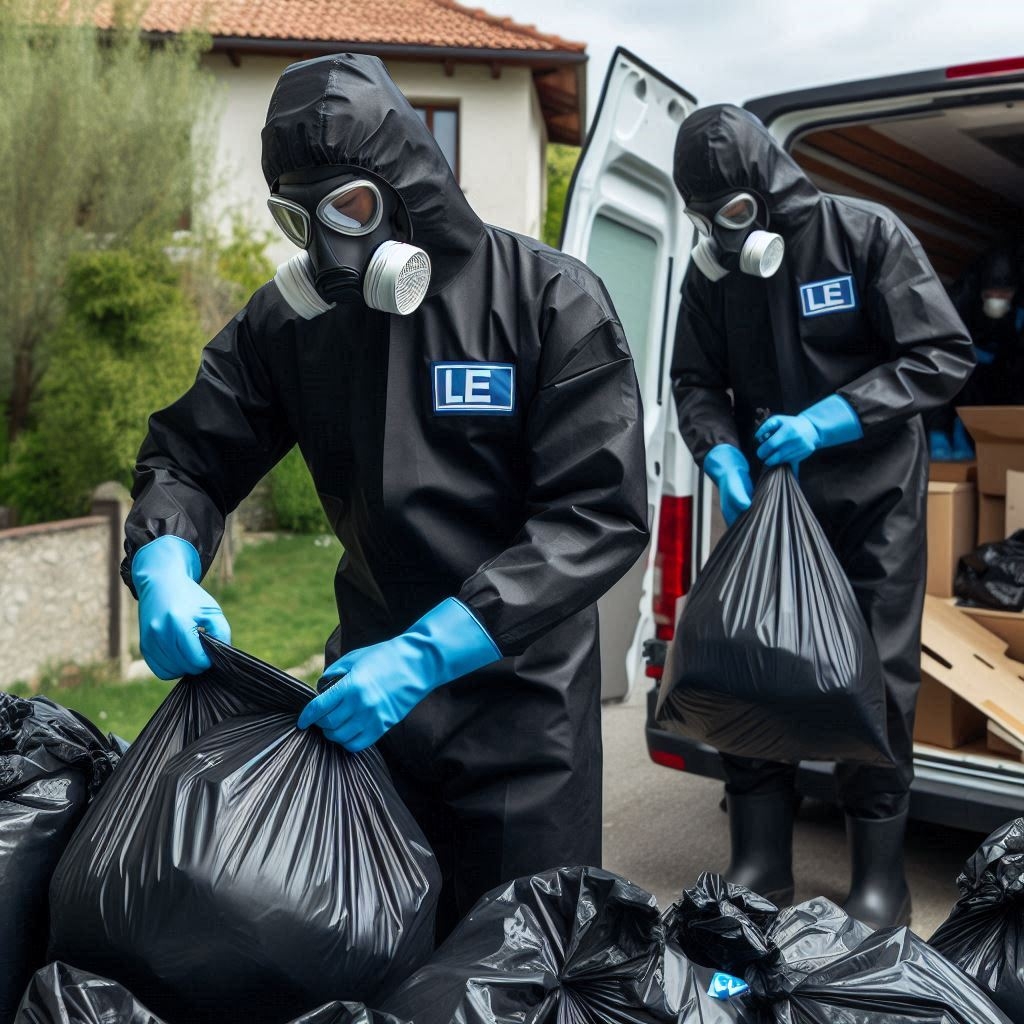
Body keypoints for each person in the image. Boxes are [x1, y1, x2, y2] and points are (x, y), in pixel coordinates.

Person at [123, 53, 649, 936]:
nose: (333, 246)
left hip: (520, 727)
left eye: (352, 208)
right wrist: (165, 564)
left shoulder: (549, 302)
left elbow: (594, 516)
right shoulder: (294, 322)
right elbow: (188, 456)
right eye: (303, 215)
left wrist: (426, 654)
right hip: (364, 712)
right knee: (375, 955)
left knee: (516, 965)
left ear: (409, 184)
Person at [670, 104, 975, 929]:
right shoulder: (713, 274)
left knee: (874, 675)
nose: (725, 234)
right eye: (707, 218)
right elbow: (694, 381)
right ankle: (762, 861)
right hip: (771, 502)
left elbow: (940, 355)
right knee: (752, 661)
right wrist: (720, 453)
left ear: (770, 189)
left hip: (872, 500)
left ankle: (880, 882)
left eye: (734, 212)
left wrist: (827, 420)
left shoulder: (865, 235)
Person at [928, 244, 1024, 459]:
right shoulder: (962, 299)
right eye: (992, 293)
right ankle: (943, 439)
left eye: (1004, 293)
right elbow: (942, 359)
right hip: (963, 369)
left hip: (1001, 374)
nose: (998, 298)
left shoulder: (1018, 312)